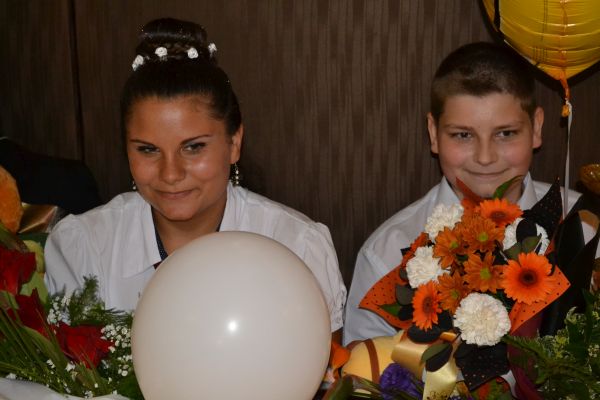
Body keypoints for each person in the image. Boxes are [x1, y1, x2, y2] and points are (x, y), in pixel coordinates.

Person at [44, 18, 346, 338]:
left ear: (234, 143)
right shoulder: (85, 248)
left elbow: (328, 366)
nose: (171, 173)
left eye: (193, 147)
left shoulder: (297, 247)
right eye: (148, 150)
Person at [343, 41, 592, 345]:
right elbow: (365, 366)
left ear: (536, 127)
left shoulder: (586, 230)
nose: (485, 157)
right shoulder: (386, 253)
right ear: (434, 133)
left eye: (506, 133)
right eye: (463, 135)